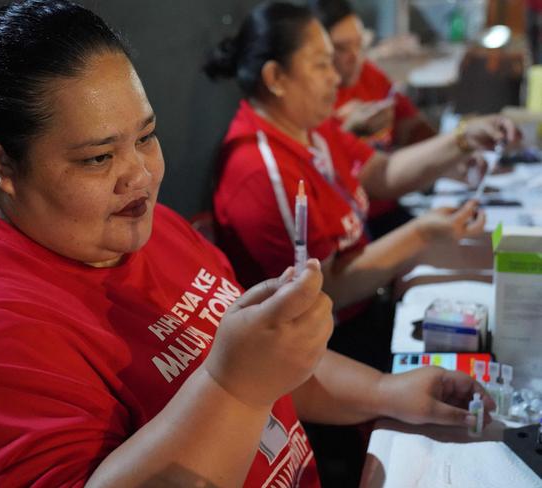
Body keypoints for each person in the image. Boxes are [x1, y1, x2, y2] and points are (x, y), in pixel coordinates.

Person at [0, 1, 494, 487]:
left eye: (146, 138)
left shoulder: (138, 227)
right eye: (98, 157)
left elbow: (271, 364)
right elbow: (245, 377)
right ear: (3, 162)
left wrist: (387, 391)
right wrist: (232, 388)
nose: (141, 176)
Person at [206, 2, 517, 369]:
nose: (336, 78)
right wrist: (422, 233)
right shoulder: (262, 171)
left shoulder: (308, 126)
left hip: (366, 309)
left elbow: (381, 173)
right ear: (275, 78)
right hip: (326, 349)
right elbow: (328, 290)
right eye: (322, 63)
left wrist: (463, 140)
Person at [308, 0, 437, 150]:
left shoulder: (368, 74)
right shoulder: (310, 100)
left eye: (359, 44)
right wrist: (344, 130)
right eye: (342, 48)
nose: (355, 57)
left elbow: (413, 125)